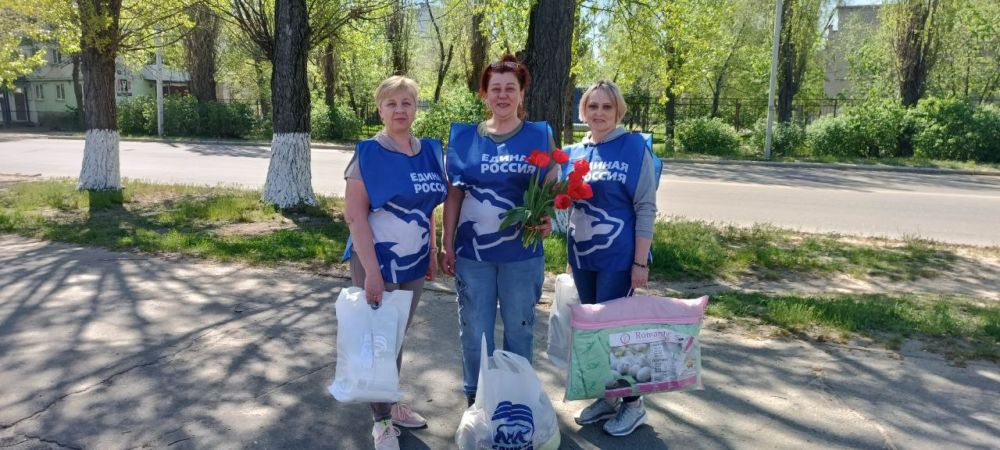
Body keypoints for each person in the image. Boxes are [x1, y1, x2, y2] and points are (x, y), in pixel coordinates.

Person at [439, 53, 556, 407]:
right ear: (485, 94)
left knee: (520, 328)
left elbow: (551, 188)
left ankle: (516, 398)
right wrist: (446, 243)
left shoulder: (540, 135)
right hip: (473, 254)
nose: (502, 95)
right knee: (475, 329)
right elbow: (454, 196)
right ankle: (478, 399)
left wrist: (549, 219)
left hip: (522, 255)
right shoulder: (464, 138)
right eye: (495, 89)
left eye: (510, 88)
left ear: (521, 94)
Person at [342, 76, 448, 450]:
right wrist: (372, 272)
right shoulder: (368, 154)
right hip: (378, 262)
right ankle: (381, 421)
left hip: (414, 260)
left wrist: (431, 251)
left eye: (407, 102)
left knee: (397, 335)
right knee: (379, 339)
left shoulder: (429, 151)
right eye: (392, 103)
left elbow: (428, 208)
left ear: (416, 108)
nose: (400, 109)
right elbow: (354, 216)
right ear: (380, 110)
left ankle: (391, 401)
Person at [562, 80, 658, 437]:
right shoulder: (575, 151)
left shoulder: (633, 147)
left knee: (617, 333)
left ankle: (633, 404)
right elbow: (569, 208)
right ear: (583, 110)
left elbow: (645, 206)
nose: (599, 113)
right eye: (592, 106)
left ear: (618, 111)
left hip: (618, 259)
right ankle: (609, 395)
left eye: (607, 106)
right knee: (595, 333)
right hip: (583, 258)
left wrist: (640, 262)